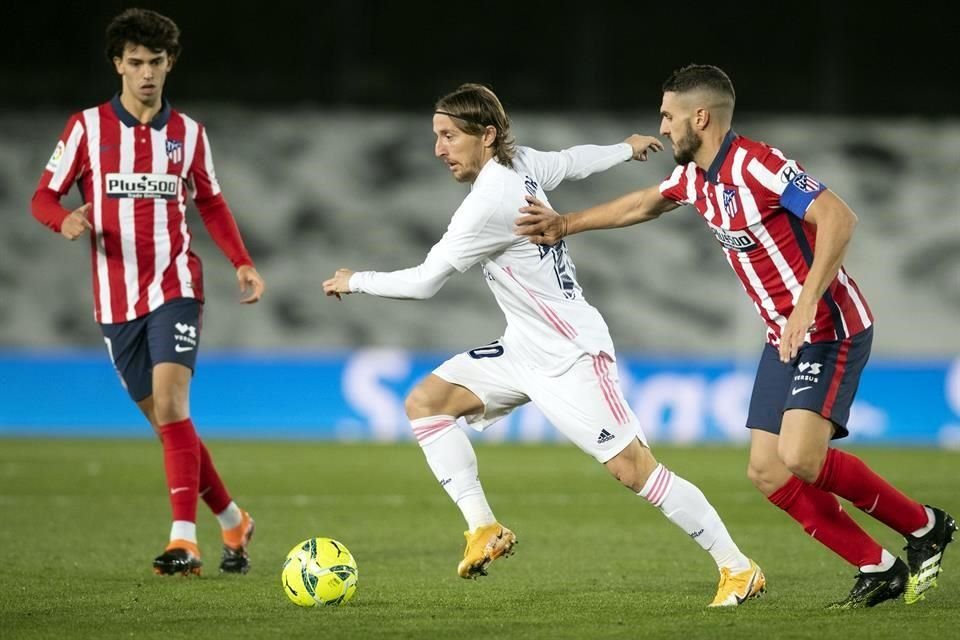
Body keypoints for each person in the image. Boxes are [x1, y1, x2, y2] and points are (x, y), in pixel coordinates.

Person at [514, 63, 956, 609]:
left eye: (669, 115)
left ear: (701, 117)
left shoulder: (759, 165)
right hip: (785, 336)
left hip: (829, 327)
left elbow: (839, 218)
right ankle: (876, 566)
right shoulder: (695, 177)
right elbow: (646, 202)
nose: (663, 124)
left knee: (800, 456)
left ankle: (925, 525)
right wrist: (566, 223)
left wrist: (807, 303)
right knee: (767, 471)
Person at [323, 82, 766, 607]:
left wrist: (355, 279)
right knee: (427, 403)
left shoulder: (488, 202)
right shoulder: (522, 164)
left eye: (448, 136)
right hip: (523, 350)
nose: (439, 149)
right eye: (436, 136)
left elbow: (424, 282)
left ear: (485, 136)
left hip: (571, 353)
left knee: (634, 470)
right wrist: (624, 149)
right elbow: (571, 161)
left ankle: (738, 567)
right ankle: (483, 529)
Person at [30, 8, 264, 577]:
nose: (146, 74)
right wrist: (61, 220)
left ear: (169, 64)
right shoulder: (85, 128)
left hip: (176, 285)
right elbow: (43, 195)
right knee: (168, 423)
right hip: (115, 301)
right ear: (118, 64)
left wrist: (241, 261)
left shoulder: (189, 135)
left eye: (155, 62)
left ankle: (184, 539)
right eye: (135, 62)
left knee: (172, 403)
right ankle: (233, 519)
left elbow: (209, 201)